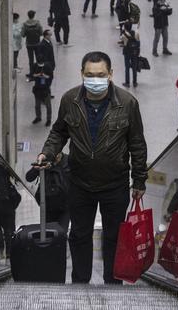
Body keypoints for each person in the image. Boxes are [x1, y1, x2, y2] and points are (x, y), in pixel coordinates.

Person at [36, 51, 148, 284]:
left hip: (115, 185)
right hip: (80, 183)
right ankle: (80, 283)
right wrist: (47, 152)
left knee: (114, 238)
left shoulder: (127, 103)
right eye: (89, 75)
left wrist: (139, 180)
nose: (95, 79)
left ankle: (112, 283)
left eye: (100, 75)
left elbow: (137, 143)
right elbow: (59, 132)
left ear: (110, 74)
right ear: (81, 74)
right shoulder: (70, 100)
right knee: (79, 236)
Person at [25, 152, 71, 230]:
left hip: (65, 206)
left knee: (62, 233)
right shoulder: (44, 161)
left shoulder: (68, 161)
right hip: (47, 205)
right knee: (48, 232)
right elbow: (29, 177)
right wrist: (37, 167)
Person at [32, 34, 55, 126]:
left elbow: (51, 76)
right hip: (37, 88)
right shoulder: (35, 66)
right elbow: (32, 75)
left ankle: (48, 119)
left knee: (48, 105)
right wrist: (37, 75)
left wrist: (45, 76)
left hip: (45, 88)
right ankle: (38, 117)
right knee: (37, 105)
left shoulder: (48, 66)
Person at [21, 10, 43, 80]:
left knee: (31, 60)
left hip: (29, 44)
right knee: (38, 59)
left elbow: (23, 35)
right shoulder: (38, 23)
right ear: (34, 15)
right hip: (37, 43)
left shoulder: (25, 24)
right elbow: (41, 33)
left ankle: (31, 73)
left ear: (28, 15)